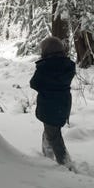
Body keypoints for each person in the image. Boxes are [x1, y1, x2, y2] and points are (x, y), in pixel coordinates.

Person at [29, 36, 76, 168]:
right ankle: (47, 155)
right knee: (52, 130)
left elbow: (34, 84)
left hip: (49, 106)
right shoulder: (68, 65)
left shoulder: (44, 67)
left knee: (54, 136)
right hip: (63, 104)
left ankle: (66, 164)